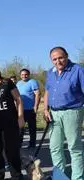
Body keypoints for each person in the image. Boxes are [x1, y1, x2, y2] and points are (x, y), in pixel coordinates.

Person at [44, 46, 84, 180]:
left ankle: (77, 177)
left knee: (74, 148)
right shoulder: (50, 72)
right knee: (55, 147)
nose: (58, 61)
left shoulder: (77, 70)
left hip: (72, 112)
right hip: (54, 114)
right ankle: (59, 176)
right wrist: (45, 109)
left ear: (67, 55)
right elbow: (47, 92)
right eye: (54, 59)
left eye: (60, 57)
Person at [16, 69, 40, 148]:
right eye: (22, 74)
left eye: (26, 74)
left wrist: (36, 106)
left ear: (29, 75)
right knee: (20, 128)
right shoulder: (18, 83)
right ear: (20, 75)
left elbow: (37, 94)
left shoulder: (32, 82)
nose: (24, 76)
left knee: (32, 128)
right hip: (20, 109)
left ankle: (32, 144)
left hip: (30, 109)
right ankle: (18, 144)